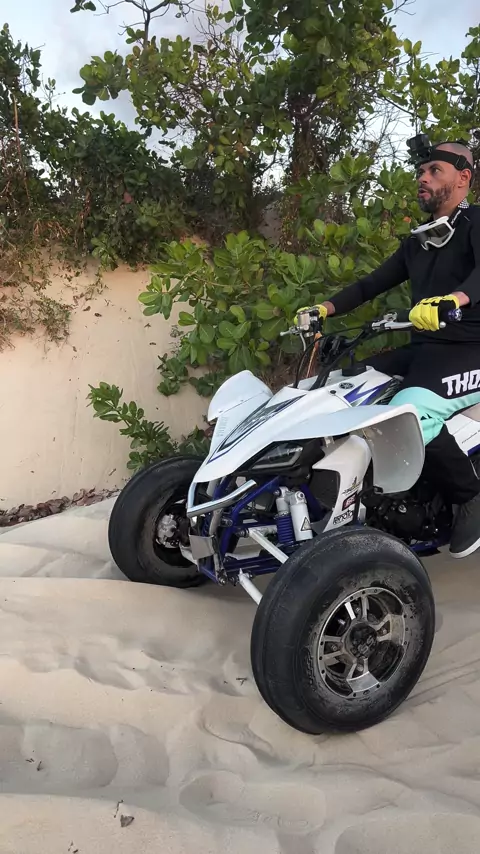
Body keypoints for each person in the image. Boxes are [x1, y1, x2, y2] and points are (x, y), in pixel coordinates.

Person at [302, 141, 480, 558]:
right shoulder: (418, 241)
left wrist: (454, 299)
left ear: (463, 178)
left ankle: (470, 496)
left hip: (471, 349)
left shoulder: (476, 222)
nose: (422, 178)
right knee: (341, 391)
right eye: (421, 171)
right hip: (425, 350)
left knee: (407, 415)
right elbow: (371, 284)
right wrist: (323, 309)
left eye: (434, 171)